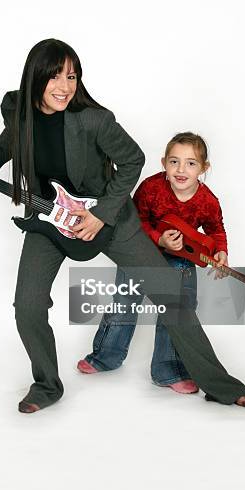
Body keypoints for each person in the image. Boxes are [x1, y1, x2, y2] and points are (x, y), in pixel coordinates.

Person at [0, 38, 245, 412]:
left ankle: (222, 386)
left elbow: (132, 159)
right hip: (51, 219)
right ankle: (47, 386)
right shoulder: (18, 110)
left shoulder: (93, 120)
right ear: (35, 78)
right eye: (54, 77)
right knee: (28, 305)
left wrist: (101, 212)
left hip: (110, 218)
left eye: (71, 76)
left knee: (170, 296)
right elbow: (12, 138)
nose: (65, 87)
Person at [78, 132, 229, 395]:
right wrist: (159, 240)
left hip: (181, 261)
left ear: (204, 168)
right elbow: (133, 222)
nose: (181, 169)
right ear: (163, 163)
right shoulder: (151, 188)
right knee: (124, 304)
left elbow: (216, 230)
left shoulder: (208, 201)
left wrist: (221, 252)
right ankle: (105, 356)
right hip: (139, 253)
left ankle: (167, 369)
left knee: (177, 313)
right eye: (174, 162)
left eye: (191, 163)